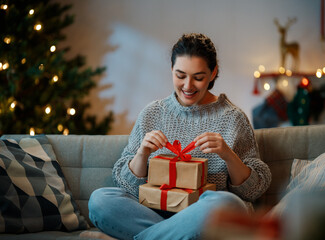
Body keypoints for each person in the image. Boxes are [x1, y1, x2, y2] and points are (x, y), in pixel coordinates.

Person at [80, 33, 271, 240]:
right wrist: (142, 153)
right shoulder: (152, 113)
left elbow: (254, 190)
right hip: (156, 211)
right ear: (171, 70)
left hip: (205, 215)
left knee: (227, 204)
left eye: (198, 77)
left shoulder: (233, 118)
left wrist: (228, 154)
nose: (188, 86)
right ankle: (176, 234)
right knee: (101, 200)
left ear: (213, 72)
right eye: (180, 76)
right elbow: (125, 185)